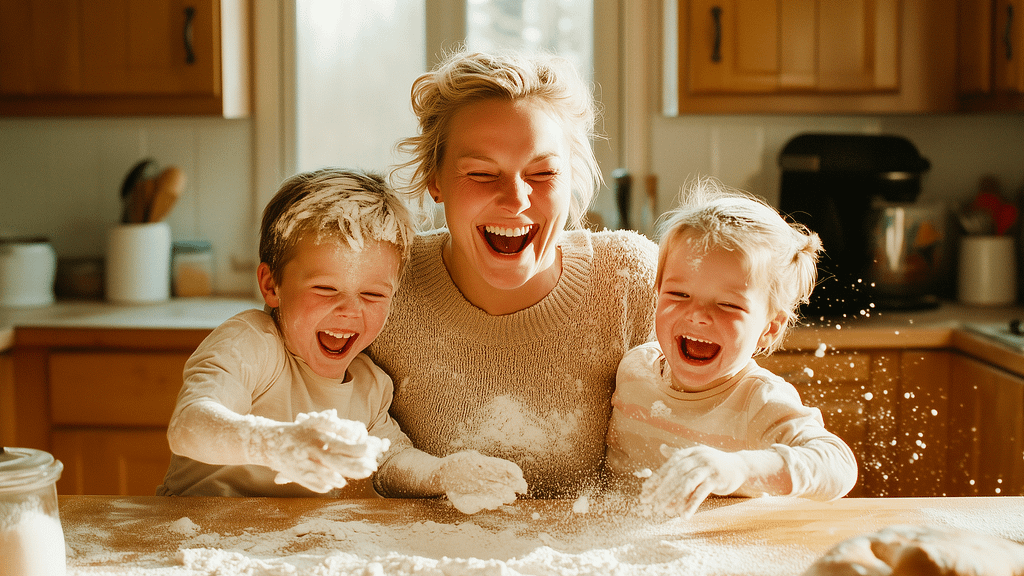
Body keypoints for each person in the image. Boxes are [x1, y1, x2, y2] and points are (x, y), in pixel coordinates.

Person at [367, 49, 659, 501]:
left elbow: (726, 414)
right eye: (482, 173)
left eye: (543, 172)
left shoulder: (629, 280)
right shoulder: (383, 284)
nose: (516, 198)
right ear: (435, 180)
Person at [605, 177, 858, 518]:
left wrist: (736, 469)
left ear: (769, 328)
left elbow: (837, 464)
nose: (697, 315)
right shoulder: (634, 368)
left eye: (728, 305)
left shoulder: (758, 400)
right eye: (679, 294)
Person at [158, 168, 418, 497]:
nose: (350, 309)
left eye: (373, 295)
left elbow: (393, 462)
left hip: (289, 545)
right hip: (198, 533)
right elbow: (189, 426)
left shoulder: (371, 388)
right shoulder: (251, 344)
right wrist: (275, 443)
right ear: (271, 285)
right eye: (326, 288)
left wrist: (445, 475)